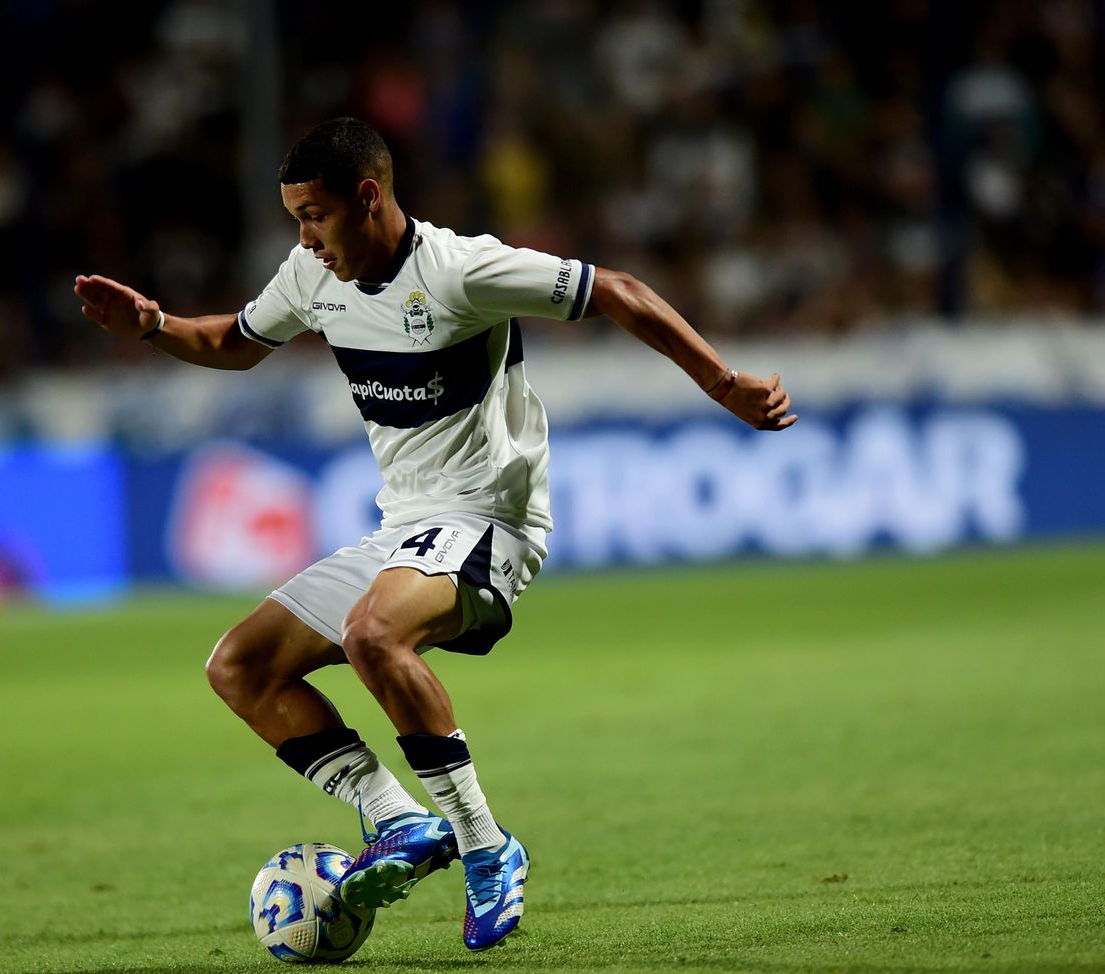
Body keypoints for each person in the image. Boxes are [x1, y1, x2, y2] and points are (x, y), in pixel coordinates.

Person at [73, 117, 796, 951]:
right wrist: (155, 325)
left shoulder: (460, 272)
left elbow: (621, 291)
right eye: (295, 218)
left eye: (314, 215)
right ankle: (396, 818)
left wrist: (723, 383)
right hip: (406, 530)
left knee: (374, 633)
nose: (304, 237)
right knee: (238, 666)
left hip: (493, 521)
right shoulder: (314, 277)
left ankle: (489, 848)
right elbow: (234, 343)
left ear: (368, 197)